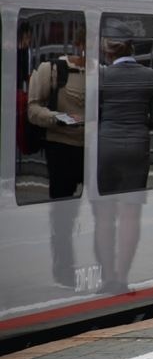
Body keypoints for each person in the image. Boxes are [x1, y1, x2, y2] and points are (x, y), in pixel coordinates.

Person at [95, 19, 153, 294]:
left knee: (104, 216)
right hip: (137, 146)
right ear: (131, 47)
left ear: (108, 51)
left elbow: (94, 115)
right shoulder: (150, 76)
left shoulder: (102, 77)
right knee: (131, 215)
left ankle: (107, 278)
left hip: (106, 146)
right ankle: (122, 279)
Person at [27, 26, 86, 288]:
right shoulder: (50, 70)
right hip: (61, 148)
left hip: (93, 150)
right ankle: (64, 268)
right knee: (63, 215)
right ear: (78, 42)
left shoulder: (103, 72)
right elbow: (32, 109)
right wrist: (57, 119)